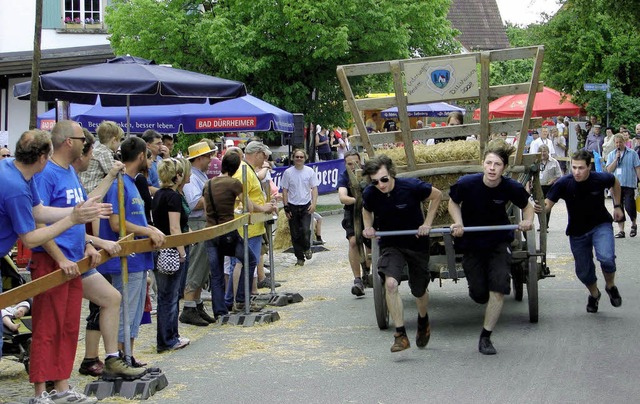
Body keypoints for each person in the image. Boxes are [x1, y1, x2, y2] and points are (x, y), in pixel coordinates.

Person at [29, 120, 121, 403]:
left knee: (69, 327)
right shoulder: (46, 174)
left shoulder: (70, 172)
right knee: (47, 327)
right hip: (51, 261)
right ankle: (40, 392)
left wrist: (86, 246)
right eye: (82, 138)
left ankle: (62, 387)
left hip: (73, 261)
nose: (86, 144)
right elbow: (38, 223)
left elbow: (80, 214)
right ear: (69, 141)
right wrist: (59, 257)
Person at [0, 129, 106, 368]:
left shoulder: (15, 170)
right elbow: (30, 238)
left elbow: (39, 211)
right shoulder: (16, 187)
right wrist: (72, 220)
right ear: (42, 158)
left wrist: (77, 212)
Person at [72, 130, 145, 381]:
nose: (92, 156)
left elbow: (88, 205)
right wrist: (94, 241)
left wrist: (90, 243)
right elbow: (91, 217)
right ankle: (96, 359)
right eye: (89, 152)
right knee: (92, 311)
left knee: (108, 302)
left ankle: (111, 357)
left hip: (86, 253)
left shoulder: (77, 177)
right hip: (71, 257)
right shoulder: (115, 183)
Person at [448, 139, 534, 355]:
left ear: (504, 167)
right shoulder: (467, 183)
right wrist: (458, 222)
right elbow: (452, 202)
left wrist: (526, 221)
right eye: (489, 163)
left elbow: (528, 207)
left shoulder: (511, 187)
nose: (492, 168)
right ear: (483, 164)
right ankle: (479, 290)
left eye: (497, 164)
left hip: (498, 241)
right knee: (479, 294)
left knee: (498, 289)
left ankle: (485, 337)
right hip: (472, 242)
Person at [362, 155, 442, 352]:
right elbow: (366, 210)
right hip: (391, 245)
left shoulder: (411, 187)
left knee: (419, 290)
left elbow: (437, 195)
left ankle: (423, 320)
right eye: (375, 182)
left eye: (384, 179)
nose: (380, 185)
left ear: (391, 174)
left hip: (416, 243)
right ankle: (400, 335)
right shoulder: (371, 193)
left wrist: (427, 223)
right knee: (390, 284)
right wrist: (368, 227)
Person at [98, 136, 166, 368]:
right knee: (126, 310)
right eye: (147, 155)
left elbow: (134, 218)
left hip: (139, 259)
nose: (150, 160)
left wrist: (149, 228)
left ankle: (129, 354)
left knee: (135, 311)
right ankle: (120, 357)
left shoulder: (131, 182)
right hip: (126, 258)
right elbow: (117, 223)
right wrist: (146, 231)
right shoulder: (118, 183)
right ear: (140, 156)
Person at [540, 150, 623, 313]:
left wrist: (618, 206)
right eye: (574, 167)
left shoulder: (599, 178)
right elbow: (548, 203)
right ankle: (594, 294)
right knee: (584, 272)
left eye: (581, 168)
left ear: (589, 167)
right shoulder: (564, 182)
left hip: (601, 225)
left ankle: (610, 286)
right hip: (577, 231)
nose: (576, 172)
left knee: (606, 258)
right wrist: (539, 208)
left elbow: (615, 182)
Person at [203, 152, 257, 318]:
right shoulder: (234, 183)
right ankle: (240, 298)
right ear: (235, 168)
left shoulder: (208, 184)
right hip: (228, 231)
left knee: (217, 273)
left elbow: (206, 211)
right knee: (250, 259)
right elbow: (249, 207)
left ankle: (220, 312)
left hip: (211, 231)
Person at [225, 141, 277, 310]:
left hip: (252, 226)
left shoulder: (248, 170)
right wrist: (263, 208)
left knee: (246, 262)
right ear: (256, 154)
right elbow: (242, 199)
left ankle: (240, 298)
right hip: (245, 226)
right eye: (264, 155)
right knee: (243, 262)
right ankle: (238, 300)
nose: (266, 158)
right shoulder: (243, 172)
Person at [151, 158, 191, 352]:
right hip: (171, 250)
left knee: (165, 296)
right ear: (177, 176)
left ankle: (168, 336)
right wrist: (182, 251)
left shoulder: (159, 194)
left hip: (160, 249)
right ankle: (168, 339)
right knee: (170, 296)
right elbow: (174, 227)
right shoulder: (173, 197)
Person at [180, 141, 217, 326]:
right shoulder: (192, 178)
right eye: (208, 156)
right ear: (199, 158)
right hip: (197, 223)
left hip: (204, 222)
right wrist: (213, 195)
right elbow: (193, 203)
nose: (211, 159)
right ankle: (189, 306)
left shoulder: (199, 175)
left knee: (203, 266)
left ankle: (196, 303)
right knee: (196, 264)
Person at [337, 149, 371, 296]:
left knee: (370, 242)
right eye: (349, 163)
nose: (353, 166)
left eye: (356, 162)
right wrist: (358, 201)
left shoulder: (368, 172)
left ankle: (367, 272)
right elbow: (342, 197)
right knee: (353, 242)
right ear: (345, 164)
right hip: (353, 211)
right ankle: (357, 279)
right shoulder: (344, 176)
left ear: (360, 161)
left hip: (370, 211)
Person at [282, 148, 320, 267]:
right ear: (293, 158)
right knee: (295, 233)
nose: (299, 159)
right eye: (297, 157)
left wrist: (314, 204)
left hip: (305, 205)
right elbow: (285, 190)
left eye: (301, 157)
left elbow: (314, 188)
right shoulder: (288, 173)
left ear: (305, 158)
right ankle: (299, 257)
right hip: (293, 205)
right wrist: (286, 206)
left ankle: (307, 248)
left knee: (305, 229)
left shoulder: (309, 171)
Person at [605, 134, 640, 238]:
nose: (618, 144)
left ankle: (633, 224)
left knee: (630, 206)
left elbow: (637, 168)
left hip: (629, 184)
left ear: (624, 142)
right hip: (616, 185)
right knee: (618, 207)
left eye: (620, 142)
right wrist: (616, 159)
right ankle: (621, 230)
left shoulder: (633, 153)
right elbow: (609, 170)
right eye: (616, 142)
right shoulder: (612, 154)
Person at [79, 120, 123, 194]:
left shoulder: (97, 150)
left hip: (84, 186)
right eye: (120, 140)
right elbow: (113, 172)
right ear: (114, 140)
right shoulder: (105, 152)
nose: (120, 144)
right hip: (92, 189)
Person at [537, 144, 562, 229]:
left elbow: (559, 175)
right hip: (538, 186)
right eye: (541, 152)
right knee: (539, 206)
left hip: (549, 187)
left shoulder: (554, 162)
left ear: (548, 152)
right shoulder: (536, 162)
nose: (543, 153)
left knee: (546, 205)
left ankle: (545, 225)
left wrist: (552, 181)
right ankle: (541, 224)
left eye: (544, 151)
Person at [141, 129, 165, 195]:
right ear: (148, 145)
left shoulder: (160, 159)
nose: (161, 147)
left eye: (161, 143)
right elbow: (147, 188)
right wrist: (165, 193)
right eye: (158, 144)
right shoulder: (144, 163)